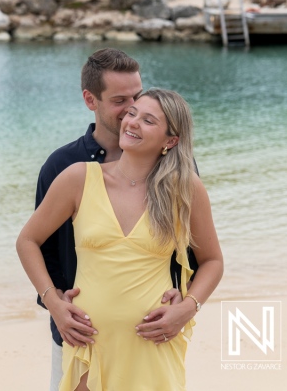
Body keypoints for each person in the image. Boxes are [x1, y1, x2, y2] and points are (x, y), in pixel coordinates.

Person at [17, 88, 224, 390]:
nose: (132, 122)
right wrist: (54, 303)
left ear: (170, 141)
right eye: (132, 113)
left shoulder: (185, 188)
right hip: (90, 342)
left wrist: (187, 308)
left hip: (154, 344)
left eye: (148, 120)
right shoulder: (79, 178)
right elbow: (27, 241)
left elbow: (212, 261)